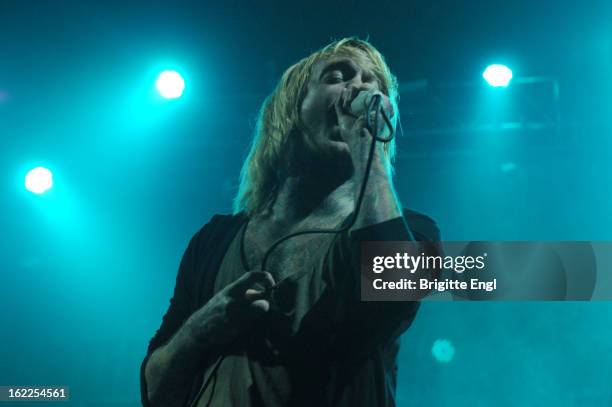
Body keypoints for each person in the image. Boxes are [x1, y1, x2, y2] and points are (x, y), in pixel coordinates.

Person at [140, 37, 441, 407]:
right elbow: (155, 392)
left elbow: (394, 289)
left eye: (372, 81)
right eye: (339, 75)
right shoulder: (214, 239)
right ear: (292, 110)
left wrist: (370, 148)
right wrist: (203, 327)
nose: (361, 87)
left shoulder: (416, 231)